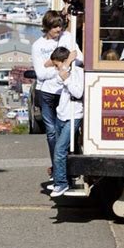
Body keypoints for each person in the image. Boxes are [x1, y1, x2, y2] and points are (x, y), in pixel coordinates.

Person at [31, 10, 81, 183]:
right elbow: (41, 74)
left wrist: (52, 64)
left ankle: (63, 168)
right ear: (47, 27)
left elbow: (78, 58)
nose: (58, 30)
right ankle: (57, 168)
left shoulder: (66, 38)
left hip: (65, 93)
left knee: (65, 131)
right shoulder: (38, 45)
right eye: (54, 27)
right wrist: (63, 65)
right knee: (51, 132)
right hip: (47, 93)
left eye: (60, 26)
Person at [48, 47, 84, 198]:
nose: (56, 69)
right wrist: (66, 65)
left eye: (57, 65)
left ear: (62, 61)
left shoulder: (78, 73)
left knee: (60, 151)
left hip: (73, 115)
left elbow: (78, 92)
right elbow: (57, 80)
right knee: (61, 150)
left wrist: (67, 78)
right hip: (61, 114)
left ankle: (61, 183)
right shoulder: (65, 70)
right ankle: (62, 180)